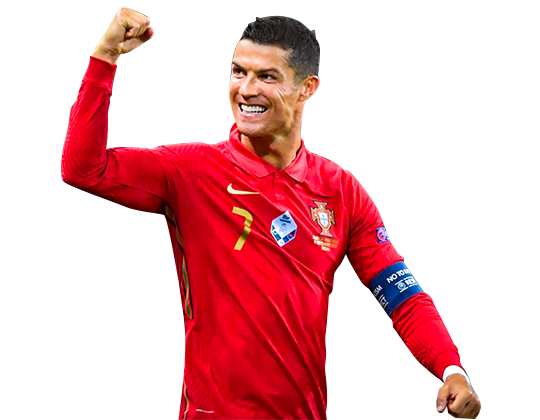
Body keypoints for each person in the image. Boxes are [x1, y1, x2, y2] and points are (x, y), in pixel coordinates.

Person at [61, 6, 481, 420]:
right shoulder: (189, 171)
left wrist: (452, 371)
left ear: (306, 87)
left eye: (266, 76)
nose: (246, 90)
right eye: (238, 71)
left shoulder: (341, 191)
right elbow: (82, 169)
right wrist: (105, 56)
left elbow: (402, 296)